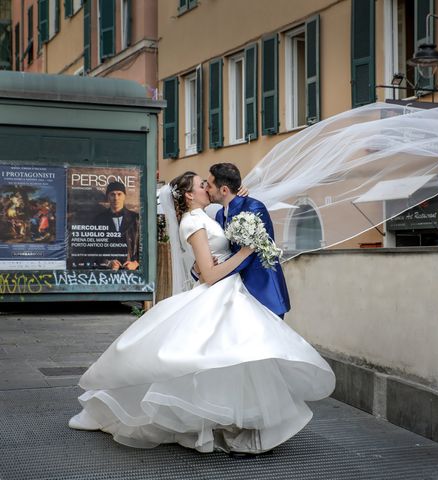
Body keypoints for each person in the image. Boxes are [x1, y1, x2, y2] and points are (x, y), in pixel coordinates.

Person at [68, 171, 335, 455]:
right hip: (218, 293)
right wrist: (246, 252)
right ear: (189, 195)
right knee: (219, 357)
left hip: (232, 292)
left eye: (208, 184)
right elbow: (208, 274)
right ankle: (227, 423)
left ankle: (238, 422)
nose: (207, 188)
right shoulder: (193, 222)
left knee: (236, 358)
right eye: (201, 185)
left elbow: (200, 263)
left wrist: (236, 198)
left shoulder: (209, 217)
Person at [207, 163, 290, 318]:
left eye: (209, 186)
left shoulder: (254, 208)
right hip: (236, 291)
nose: (206, 189)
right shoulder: (219, 215)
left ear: (224, 190)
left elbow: (248, 254)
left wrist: (214, 274)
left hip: (263, 290)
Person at [93, 181, 140, 270]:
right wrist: (107, 263)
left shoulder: (136, 218)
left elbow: (144, 245)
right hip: (107, 273)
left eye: (119, 194)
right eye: (112, 194)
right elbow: (93, 249)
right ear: (108, 197)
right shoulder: (99, 219)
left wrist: (136, 263)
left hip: (131, 273)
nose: (116, 198)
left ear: (124, 196)